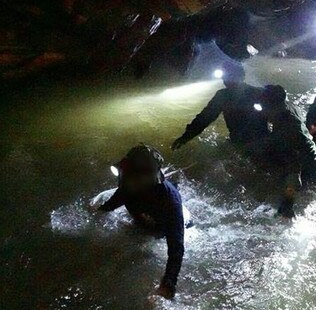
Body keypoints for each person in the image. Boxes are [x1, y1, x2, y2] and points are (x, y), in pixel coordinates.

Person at [97, 144, 185, 299]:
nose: (128, 179)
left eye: (134, 176)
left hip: (161, 230)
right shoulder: (127, 187)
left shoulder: (170, 201)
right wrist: (99, 212)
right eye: (127, 173)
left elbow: (176, 248)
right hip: (142, 221)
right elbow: (111, 204)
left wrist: (168, 283)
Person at [253, 85, 316, 217]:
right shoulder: (287, 107)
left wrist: (287, 204)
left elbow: (294, 171)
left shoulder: (287, 129)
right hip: (315, 161)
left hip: (310, 171)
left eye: (263, 106)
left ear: (272, 106)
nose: (262, 109)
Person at [171, 61, 269, 149]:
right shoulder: (258, 92)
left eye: (229, 75)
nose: (225, 79)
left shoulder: (224, 96)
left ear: (241, 76)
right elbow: (204, 118)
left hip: (250, 142)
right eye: (225, 76)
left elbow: (205, 118)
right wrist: (185, 137)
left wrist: (185, 138)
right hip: (254, 142)